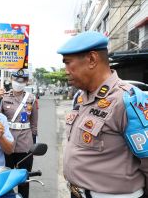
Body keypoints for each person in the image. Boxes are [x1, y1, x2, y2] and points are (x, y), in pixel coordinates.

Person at [57, 31, 148, 198]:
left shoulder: (128, 99)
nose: (66, 71)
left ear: (92, 59)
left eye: (68, 63)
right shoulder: (81, 97)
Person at [0, 69, 38, 198]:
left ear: (26, 82)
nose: (18, 83)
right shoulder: (3, 97)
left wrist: (34, 144)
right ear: (11, 80)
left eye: (21, 81)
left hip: (25, 143)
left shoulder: (31, 98)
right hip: (7, 142)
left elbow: (34, 124)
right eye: (16, 80)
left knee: (23, 179)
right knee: (5, 178)